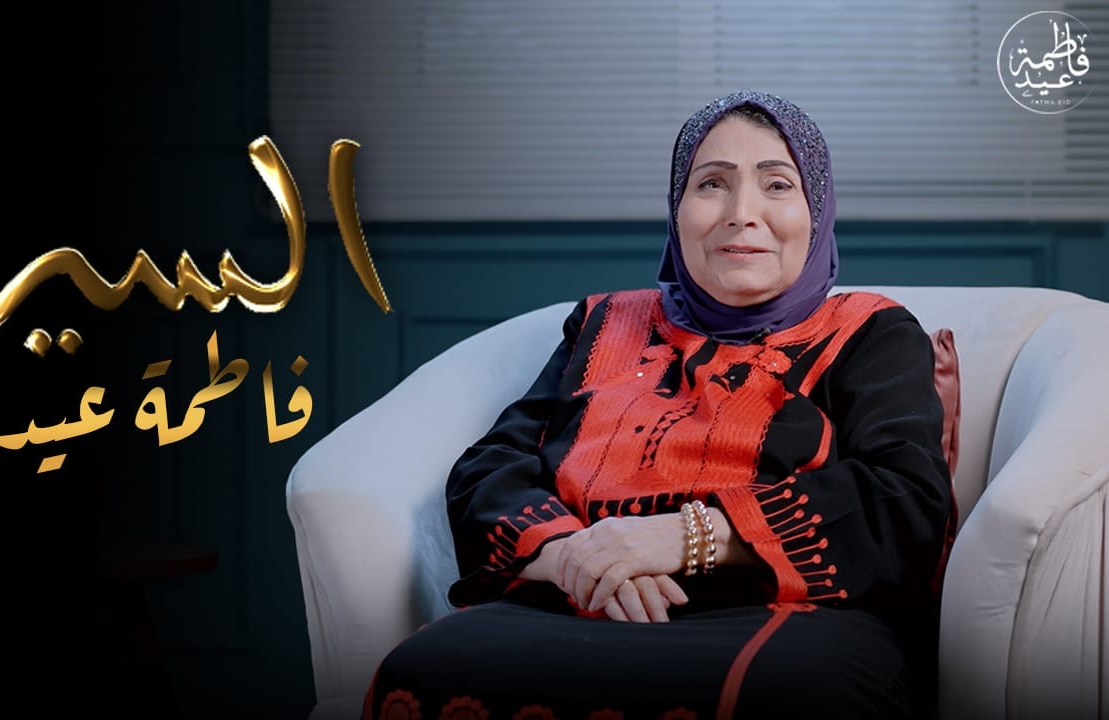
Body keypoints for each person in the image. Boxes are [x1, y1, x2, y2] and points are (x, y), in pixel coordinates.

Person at [363, 89, 954, 720]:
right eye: (711, 184)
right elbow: (492, 467)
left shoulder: (869, 331)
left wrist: (680, 538)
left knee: (781, 697)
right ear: (677, 209)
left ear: (817, 211)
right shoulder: (603, 324)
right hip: (573, 603)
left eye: (777, 185)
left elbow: (905, 499)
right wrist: (578, 557)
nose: (741, 213)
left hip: (785, 616)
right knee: (418, 674)